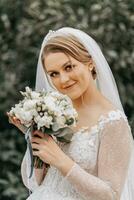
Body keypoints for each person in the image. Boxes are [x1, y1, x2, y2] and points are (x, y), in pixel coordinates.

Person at [8, 27, 134, 200]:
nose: (63, 80)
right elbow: (32, 182)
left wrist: (61, 160)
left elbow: (111, 196)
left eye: (69, 67)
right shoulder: (54, 112)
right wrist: (34, 138)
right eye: (54, 74)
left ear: (90, 62)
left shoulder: (113, 122)